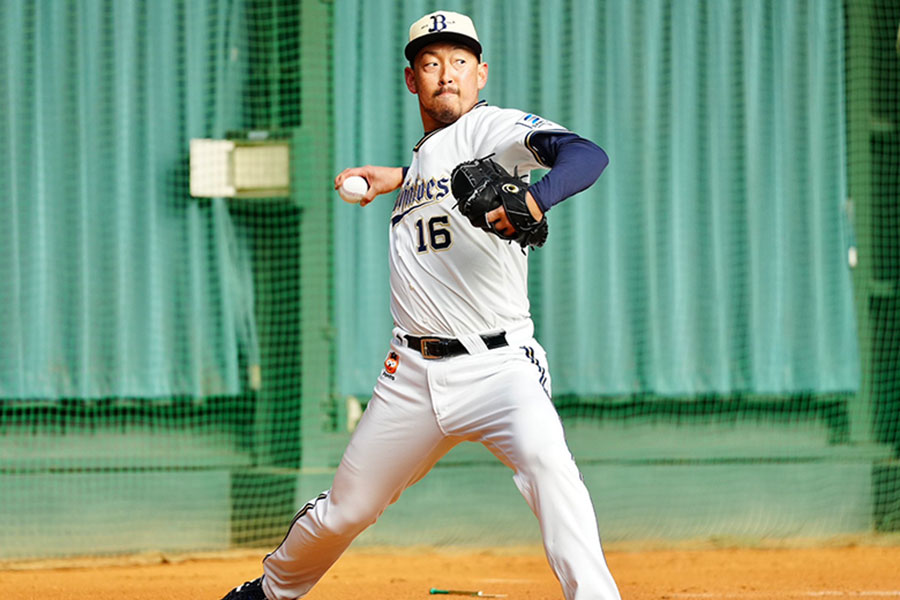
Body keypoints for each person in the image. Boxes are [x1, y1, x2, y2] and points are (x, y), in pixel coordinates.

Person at [220, 10, 619, 600]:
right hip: (410, 374)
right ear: (412, 80)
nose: (446, 74)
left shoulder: (494, 128)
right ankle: (267, 593)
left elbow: (585, 155)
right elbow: (438, 175)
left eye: (460, 61)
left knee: (548, 466)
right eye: (431, 63)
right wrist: (398, 176)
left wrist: (535, 199)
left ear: (481, 73)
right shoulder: (429, 158)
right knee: (346, 512)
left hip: (499, 366)